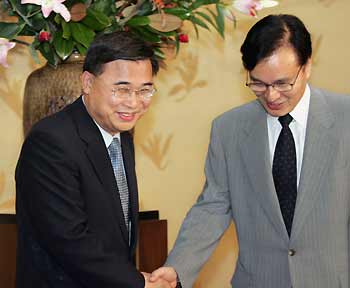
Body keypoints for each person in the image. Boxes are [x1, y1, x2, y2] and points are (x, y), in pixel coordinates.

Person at [150, 14, 350, 287]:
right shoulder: (228, 130)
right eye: (258, 83)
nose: (271, 96)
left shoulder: (345, 120)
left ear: (307, 67)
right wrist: (178, 268)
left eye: (282, 83)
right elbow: (213, 207)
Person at [15, 31, 172, 288]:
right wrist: (138, 283)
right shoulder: (51, 140)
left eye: (144, 90)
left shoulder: (121, 136)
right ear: (87, 83)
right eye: (122, 90)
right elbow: (68, 239)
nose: (133, 103)